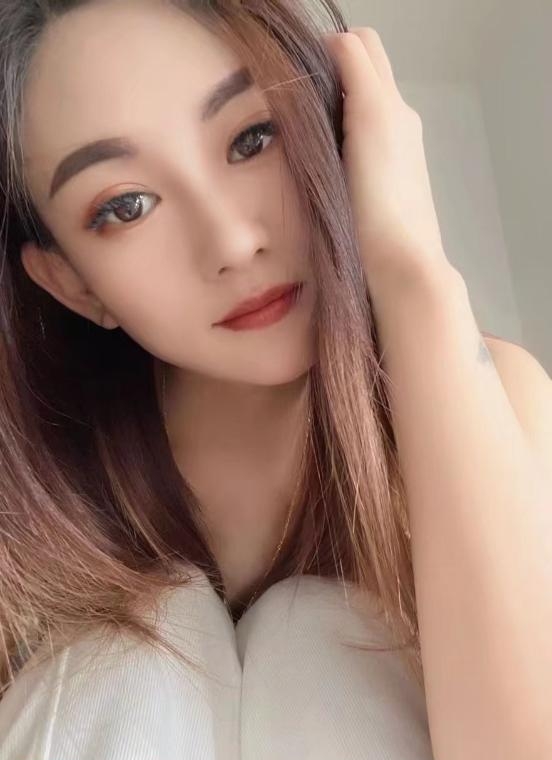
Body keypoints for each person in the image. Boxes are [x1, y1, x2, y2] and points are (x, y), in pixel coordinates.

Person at [0, 0, 434, 757]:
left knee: (323, 643)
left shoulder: (494, 405)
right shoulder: (34, 512)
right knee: (136, 650)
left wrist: (416, 278)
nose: (232, 243)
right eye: (126, 206)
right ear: (73, 284)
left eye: (251, 138)